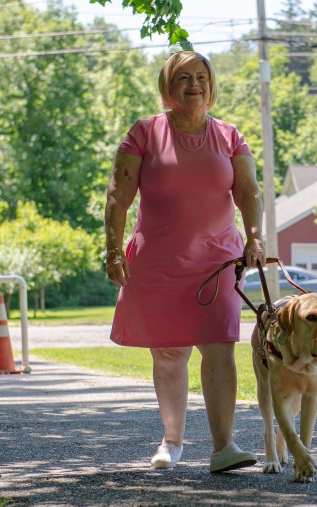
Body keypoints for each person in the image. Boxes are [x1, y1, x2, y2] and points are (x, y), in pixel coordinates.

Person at [104, 51, 265, 473]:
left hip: (217, 262)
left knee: (219, 345)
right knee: (170, 355)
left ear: (211, 87)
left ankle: (223, 447)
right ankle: (172, 442)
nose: (194, 85)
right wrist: (113, 249)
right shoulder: (144, 133)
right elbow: (119, 195)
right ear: (167, 88)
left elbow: (248, 191)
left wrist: (254, 237)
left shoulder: (230, 136)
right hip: (159, 262)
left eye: (201, 77)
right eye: (183, 78)